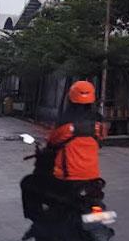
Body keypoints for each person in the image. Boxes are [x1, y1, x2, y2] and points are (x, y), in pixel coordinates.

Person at [21, 80, 103, 222]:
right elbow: (100, 141)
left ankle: (40, 221)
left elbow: (52, 142)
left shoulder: (65, 124)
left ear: (70, 98)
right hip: (92, 178)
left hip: (67, 179)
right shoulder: (98, 124)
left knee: (28, 183)